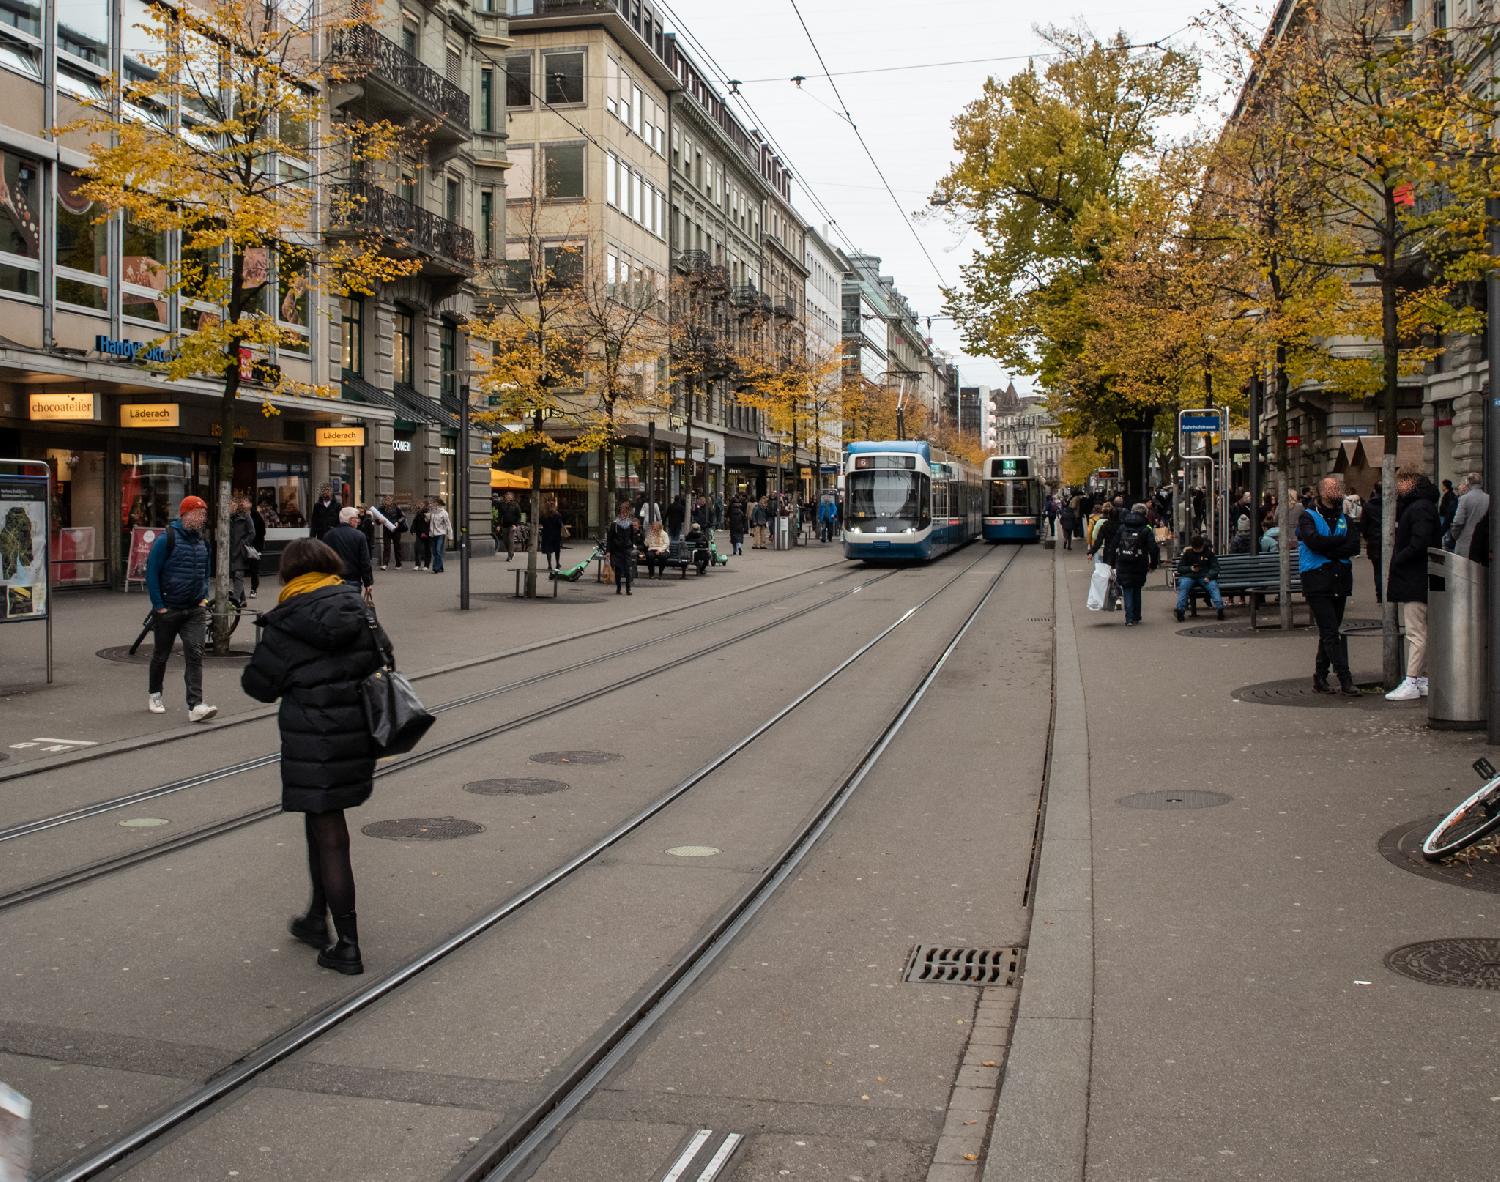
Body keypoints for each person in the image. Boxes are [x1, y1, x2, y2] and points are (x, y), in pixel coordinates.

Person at [241, 538, 385, 976]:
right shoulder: (357, 607)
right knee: (323, 823)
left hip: (311, 738)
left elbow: (258, 686)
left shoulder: (286, 620)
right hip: (355, 733)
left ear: (288, 575)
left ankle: (348, 945)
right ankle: (314, 918)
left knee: (329, 833)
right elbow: (384, 659)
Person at [145, 495, 219, 723]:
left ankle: (196, 705)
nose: (202, 518)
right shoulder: (166, 539)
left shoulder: (202, 542)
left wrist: (204, 598)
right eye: (198, 513)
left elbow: (206, 573)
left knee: (195, 654)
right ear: (185, 514)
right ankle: (155, 694)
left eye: (204, 514)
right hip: (170, 608)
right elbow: (152, 573)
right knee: (161, 655)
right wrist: (159, 606)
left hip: (194, 609)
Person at [1298, 475, 1362, 695]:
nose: (1338, 490)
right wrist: (1338, 544)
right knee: (1331, 631)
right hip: (1316, 579)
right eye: (1333, 487)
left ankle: (1320, 678)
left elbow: (1354, 546)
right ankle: (1345, 678)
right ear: (1322, 492)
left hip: (1340, 578)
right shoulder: (1308, 516)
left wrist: (1329, 547)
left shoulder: (1345, 518)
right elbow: (1313, 542)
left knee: (1329, 631)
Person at [1384, 466, 1440, 702]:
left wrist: (1399, 558)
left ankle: (1412, 680)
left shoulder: (1418, 508)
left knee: (1416, 633)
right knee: (1423, 631)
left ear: (1409, 482)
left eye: (1400, 481)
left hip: (1415, 578)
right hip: (1421, 576)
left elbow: (1420, 542)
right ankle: (1422, 679)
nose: (1397, 487)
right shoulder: (1424, 505)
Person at [1112, 503, 1159, 626]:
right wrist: (1153, 564)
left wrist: (1112, 562)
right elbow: (1153, 548)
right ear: (1145, 514)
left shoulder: (1122, 527)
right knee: (1137, 587)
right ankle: (1136, 616)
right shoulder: (1146, 529)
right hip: (1140, 562)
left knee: (1127, 588)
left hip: (1123, 561)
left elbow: (1114, 544)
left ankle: (1129, 618)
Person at [323, 505, 374, 600]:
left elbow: (323, 560)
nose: (358, 521)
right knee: (352, 610)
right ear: (350, 520)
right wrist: (368, 583)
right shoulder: (359, 536)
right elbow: (365, 562)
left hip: (333, 581)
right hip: (353, 581)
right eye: (356, 518)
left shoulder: (328, 535)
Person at [1174, 534, 1225, 622]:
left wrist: (1209, 576)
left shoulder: (1208, 553)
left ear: (1202, 546)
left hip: (1204, 576)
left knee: (1213, 586)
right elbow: (1180, 568)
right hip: (1189, 576)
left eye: (1199, 549)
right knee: (1183, 587)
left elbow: (1215, 568)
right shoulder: (1188, 553)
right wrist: (1190, 568)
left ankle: (1220, 608)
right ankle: (1180, 610)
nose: (1197, 550)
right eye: (1195, 549)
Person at [1445, 472, 1489, 557]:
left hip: (1466, 541)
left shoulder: (1464, 499)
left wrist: (1455, 536)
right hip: (1484, 543)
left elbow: (1458, 522)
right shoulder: (1488, 498)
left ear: (1468, 483)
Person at [606, 500, 639, 595]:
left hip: (627, 549)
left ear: (628, 513)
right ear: (620, 512)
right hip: (617, 550)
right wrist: (608, 551)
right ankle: (619, 587)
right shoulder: (614, 524)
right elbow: (610, 539)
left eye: (625, 512)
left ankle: (628, 589)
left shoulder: (630, 524)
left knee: (628, 569)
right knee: (618, 570)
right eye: (622, 512)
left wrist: (631, 546)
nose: (624, 514)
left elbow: (632, 537)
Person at [228, 494, 255, 607]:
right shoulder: (228, 518)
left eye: (232, 505)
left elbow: (252, 532)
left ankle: (234, 601)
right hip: (231, 551)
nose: (230, 507)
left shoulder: (245, 516)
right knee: (235, 576)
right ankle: (243, 600)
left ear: (236, 505)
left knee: (238, 575)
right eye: (229, 505)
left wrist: (243, 543)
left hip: (240, 551)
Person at [1360, 484, 1383, 605]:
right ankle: (1389, 593)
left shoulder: (1368, 506)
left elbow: (1364, 525)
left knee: (1378, 569)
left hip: (1374, 540)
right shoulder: (1392, 504)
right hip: (1389, 539)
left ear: (1374, 490)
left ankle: (1380, 595)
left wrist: (1367, 536)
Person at [375, 495, 405, 570]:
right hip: (386, 530)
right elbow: (377, 519)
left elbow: (403, 517)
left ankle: (398, 564)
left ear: (392, 500)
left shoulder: (396, 507)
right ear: (384, 500)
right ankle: (385, 564)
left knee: (397, 547)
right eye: (386, 500)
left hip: (396, 530)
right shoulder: (381, 508)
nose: (387, 501)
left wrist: (398, 522)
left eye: (389, 500)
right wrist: (379, 521)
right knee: (386, 547)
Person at [539, 496, 564, 572]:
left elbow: (541, 522)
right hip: (556, 535)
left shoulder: (544, 515)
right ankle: (557, 563)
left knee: (548, 550)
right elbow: (560, 524)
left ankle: (549, 565)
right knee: (557, 550)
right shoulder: (557, 515)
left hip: (546, 534)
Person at [427, 496, 452, 573]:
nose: (431, 504)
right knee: (435, 552)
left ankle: (436, 568)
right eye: (431, 503)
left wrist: (450, 535)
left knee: (438, 551)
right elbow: (428, 521)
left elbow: (448, 524)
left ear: (437, 503)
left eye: (433, 502)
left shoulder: (444, 513)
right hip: (432, 534)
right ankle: (441, 567)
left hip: (441, 534)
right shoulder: (431, 512)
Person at [499, 492, 522, 561]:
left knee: (510, 540)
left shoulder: (515, 505)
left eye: (510, 496)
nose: (508, 497)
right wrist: (498, 525)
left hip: (512, 525)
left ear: (512, 497)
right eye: (507, 496)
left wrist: (516, 525)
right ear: (505, 497)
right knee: (505, 541)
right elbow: (500, 516)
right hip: (504, 525)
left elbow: (519, 516)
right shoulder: (502, 505)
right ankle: (511, 552)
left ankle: (510, 555)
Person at [411, 499, 431, 571]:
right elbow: (415, 522)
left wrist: (425, 533)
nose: (419, 506)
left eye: (421, 505)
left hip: (427, 533)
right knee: (417, 548)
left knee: (427, 549)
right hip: (419, 533)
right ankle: (417, 564)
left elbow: (428, 524)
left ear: (425, 505)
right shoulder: (418, 513)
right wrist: (412, 529)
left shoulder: (428, 512)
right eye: (419, 504)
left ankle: (426, 565)